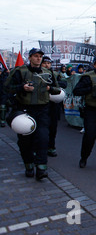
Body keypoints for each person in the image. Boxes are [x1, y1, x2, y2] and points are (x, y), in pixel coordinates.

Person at [4, 48, 61, 180]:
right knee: (25, 142)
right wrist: (21, 88)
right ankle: (29, 165)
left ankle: (41, 168)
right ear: (29, 58)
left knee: (43, 139)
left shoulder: (48, 73)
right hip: (24, 110)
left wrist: (49, 88)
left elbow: (57, 90)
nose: (38, 59)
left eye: (40, 56)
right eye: (35, 56)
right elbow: (7, 88)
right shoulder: (19, 72)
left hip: (42, 110)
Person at [41, 56, 67, 157]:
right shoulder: (37, 74)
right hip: (41, 104)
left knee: (53, 127)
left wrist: (52, 87)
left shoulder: (56, 74)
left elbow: (64, 84)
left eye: (48, 63)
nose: (47, 65)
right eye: (44, 63)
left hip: (53, 104)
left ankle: (51, 147)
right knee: (42, 128)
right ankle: (40, 147)